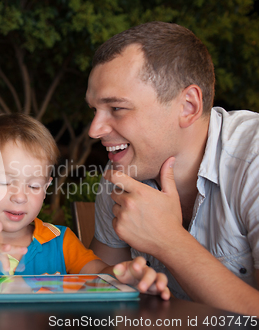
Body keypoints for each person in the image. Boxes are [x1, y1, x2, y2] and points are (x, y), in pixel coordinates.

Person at [86, 21, 259, 315]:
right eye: (94, 110)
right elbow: (97, 295)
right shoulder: (124, 173)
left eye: (116, 108)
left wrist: (168, 241)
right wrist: (116, 283)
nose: (94, 130)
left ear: (188, 106)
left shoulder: (251, 161)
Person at [0, 113, 170, 299]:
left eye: (34, 186)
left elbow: (99, 274)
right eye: (6, 182)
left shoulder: (61, 241)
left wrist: (124, 274)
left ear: (47, 186)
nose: (20, 197)